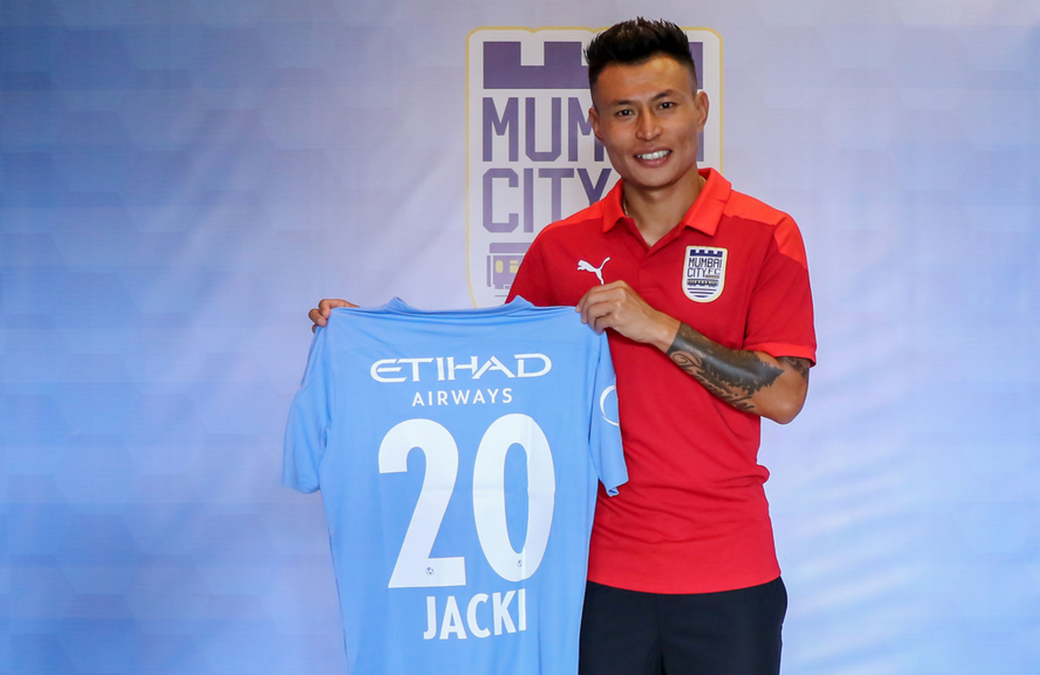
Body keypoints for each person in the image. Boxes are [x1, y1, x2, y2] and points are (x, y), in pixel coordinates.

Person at [310, 18, 816, 675]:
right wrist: (370, 340)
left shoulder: (765, 233)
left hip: (729, 571)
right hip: (588, 574)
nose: (648, 130)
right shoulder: (561, 246)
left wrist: (657, 325)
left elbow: (784, 395)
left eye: (665, 105)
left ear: (700, 109)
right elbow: (493, 378)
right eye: (624, 112)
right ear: (596, 125)